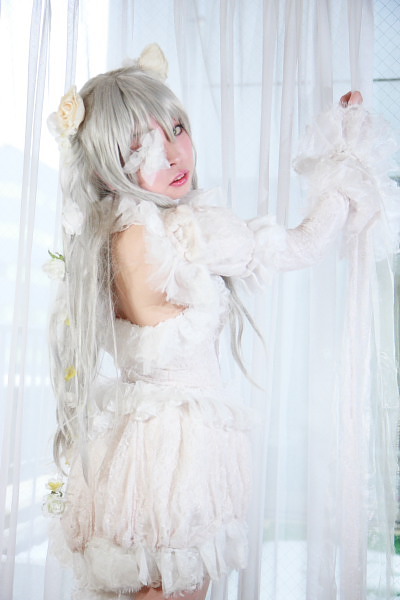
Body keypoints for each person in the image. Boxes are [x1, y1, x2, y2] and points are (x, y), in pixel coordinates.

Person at [45, 44, 388, 600]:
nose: (174, 154)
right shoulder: (166, 234)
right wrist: (342, 159)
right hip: (174, 455)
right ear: (108, 169)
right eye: (141, 146)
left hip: (144, 445)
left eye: (177, 128)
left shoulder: (111, 237)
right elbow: (301, 246)